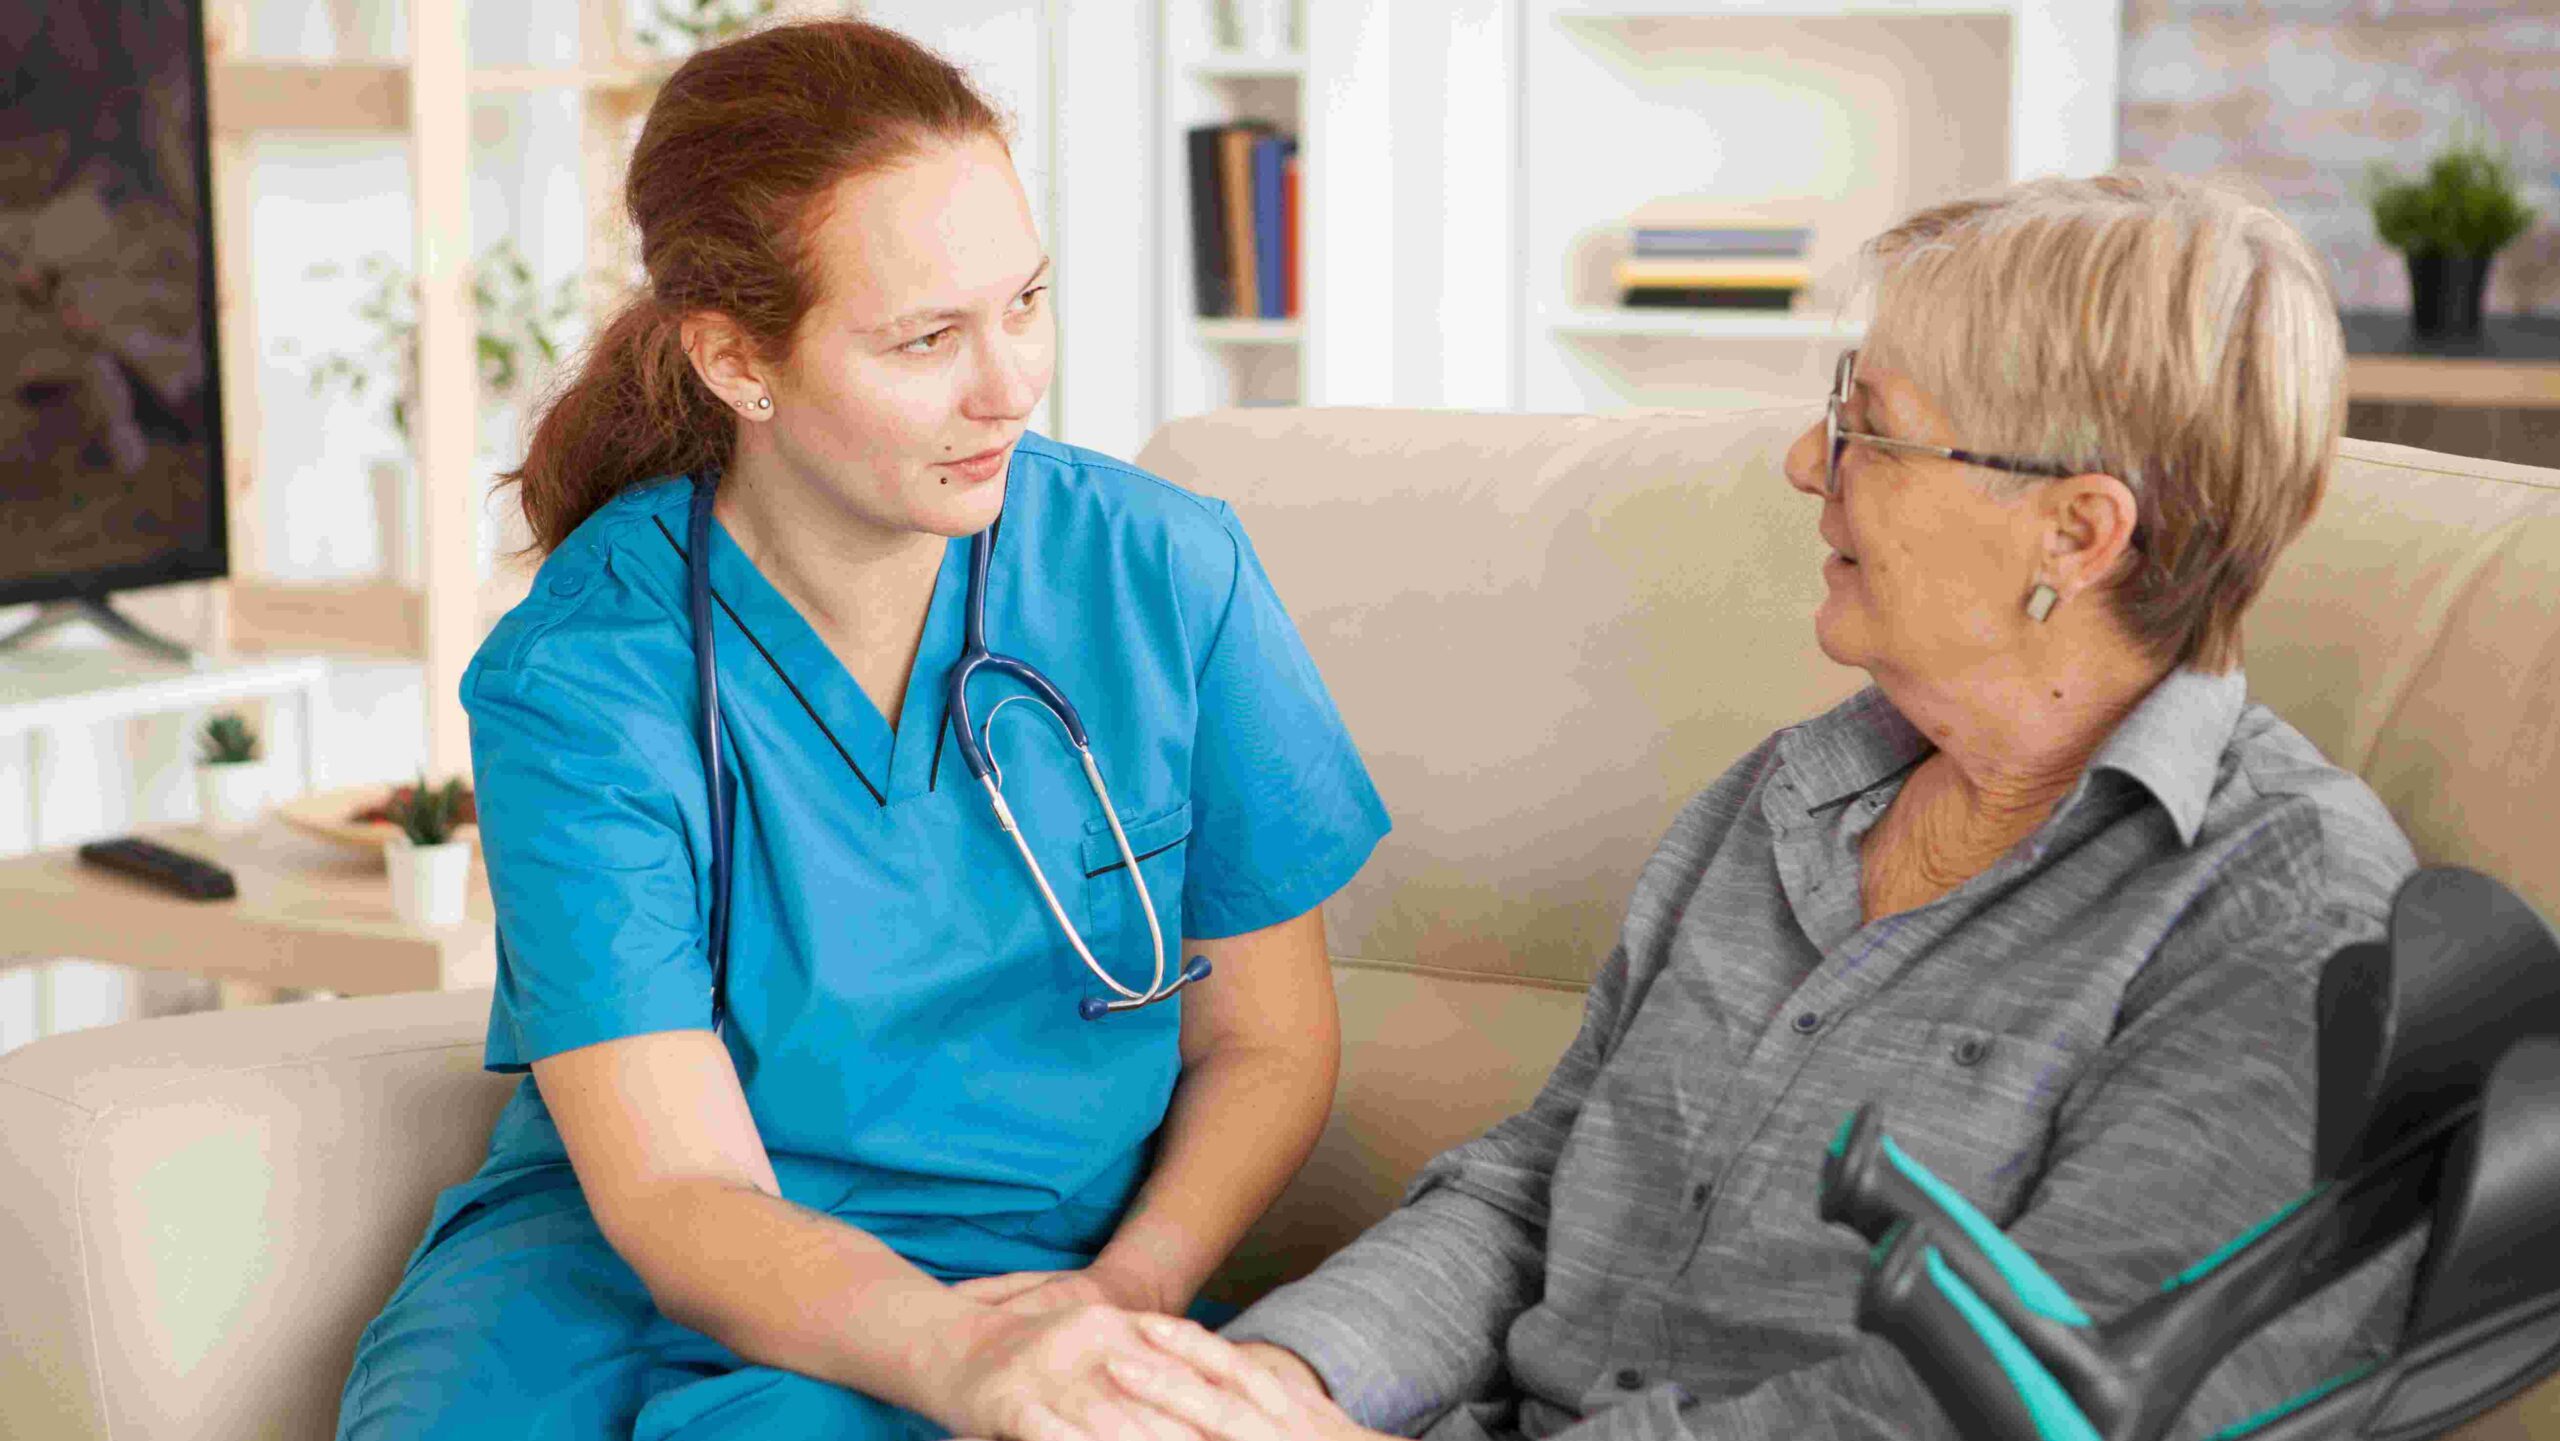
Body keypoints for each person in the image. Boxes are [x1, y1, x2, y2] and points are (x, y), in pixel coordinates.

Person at [1091, 172, 2426, 1441]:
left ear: (2075, 533)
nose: (1804, 460)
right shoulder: (1794, 798)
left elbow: (2030, 1411)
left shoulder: (2291, 919)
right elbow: (1534, 1190)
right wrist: (1260, 1381)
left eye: (1870, 430)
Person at [334, 20, 1388, 1441]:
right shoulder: (587, 676)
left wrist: (1119, 1298)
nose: (1009, 384)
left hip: (1035, 1267)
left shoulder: (1162, 574)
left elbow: (1269, 1039)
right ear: (736, 362)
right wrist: (964, 1360)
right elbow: (676, 1188)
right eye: (927, 339)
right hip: (633, 1269)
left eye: (1026, 303)